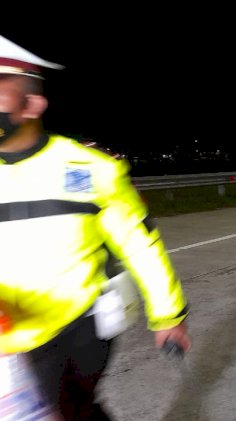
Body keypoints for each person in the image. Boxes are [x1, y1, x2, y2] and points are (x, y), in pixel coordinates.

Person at [0, 35, 191, 420]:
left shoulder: (91, 169)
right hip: (7, 334)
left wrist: (169, 316)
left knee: (66, 411)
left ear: (33, 103)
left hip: (71, 329)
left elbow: (140, 244)